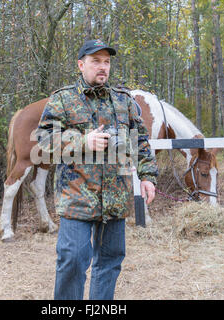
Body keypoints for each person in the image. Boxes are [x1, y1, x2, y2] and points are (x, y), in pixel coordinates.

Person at [36, 39, 158, 300]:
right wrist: (83, 141)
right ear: (81, 65)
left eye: (107, 61)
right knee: (73, 261)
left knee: (110, 262)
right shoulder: (63, 99)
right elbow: (44, 140)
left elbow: (140, 142)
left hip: (116, 198)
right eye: (96, 61)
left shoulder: (123, 102)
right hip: (77, 197)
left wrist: (148, 177)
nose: (103, 67)